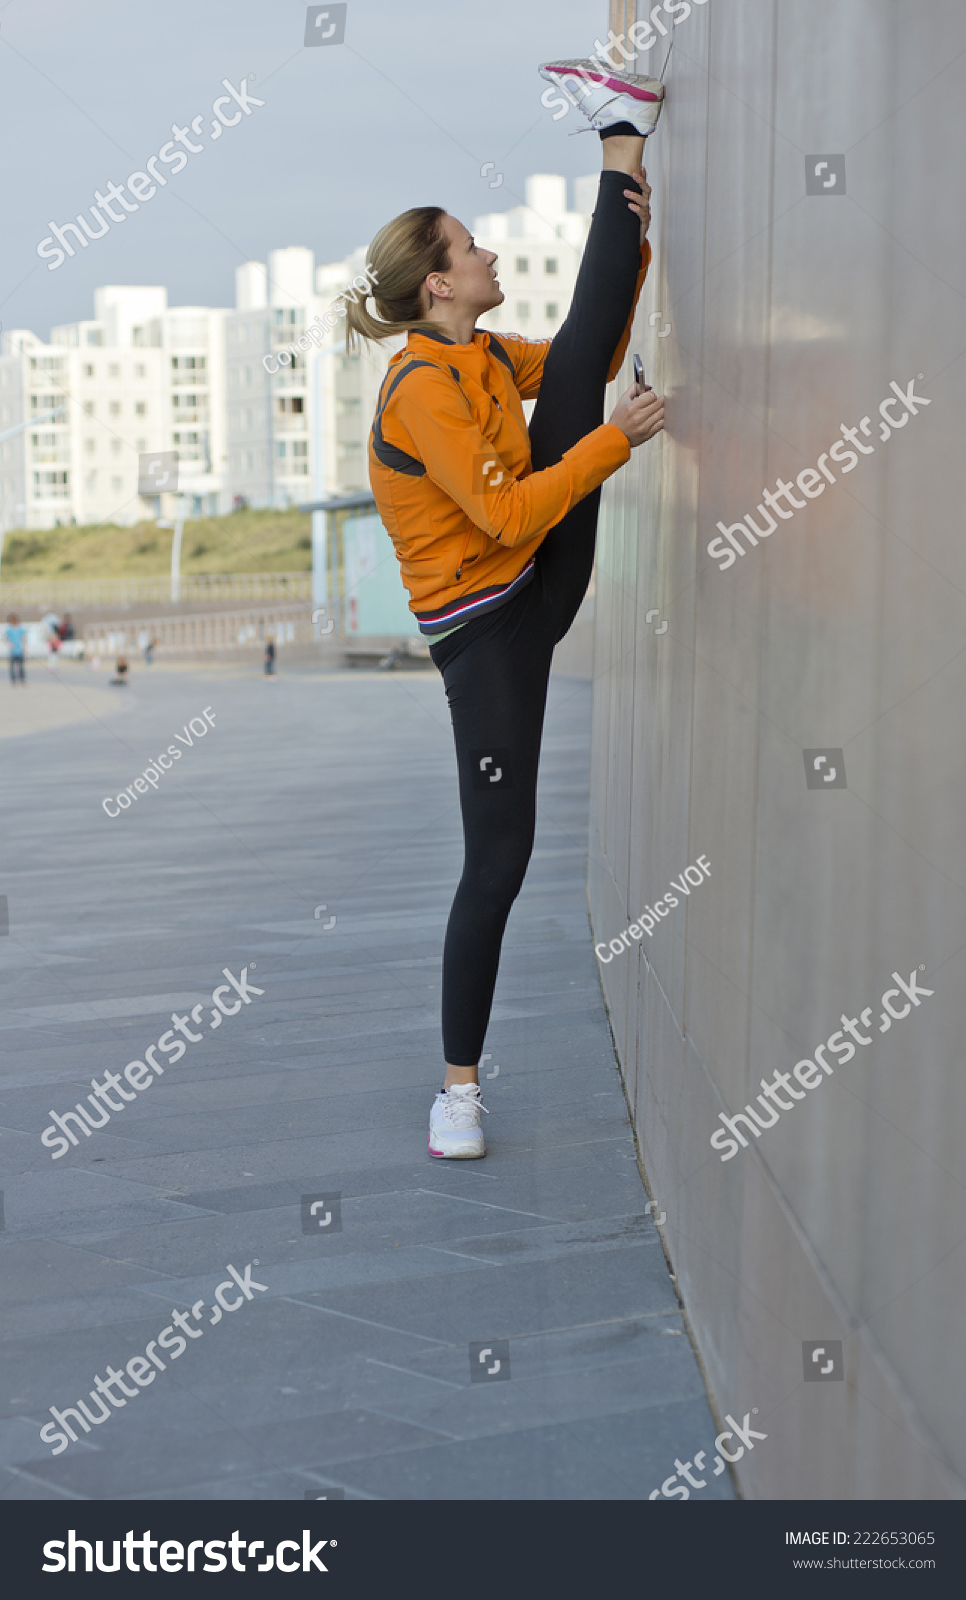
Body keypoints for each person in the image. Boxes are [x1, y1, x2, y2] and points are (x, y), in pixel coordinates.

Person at [348, 60, 667, 1159]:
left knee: (575, 371)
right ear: (436, 283)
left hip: (536, 573)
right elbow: (493, 522)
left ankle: (619, 141)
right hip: (488, 632)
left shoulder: (477, 354)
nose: (486, 255)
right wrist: (612, 445)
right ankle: (457, 1092)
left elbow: (588, 354)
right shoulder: (423, 390)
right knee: (498, 860)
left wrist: (601, 413)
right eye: (470, 247)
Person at [6, 614, 26, 684]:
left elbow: (23, 638)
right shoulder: (9, 629)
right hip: (12, 650)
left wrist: (24, 647)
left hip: (19, 650)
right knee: (12, 667)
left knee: (21, 666)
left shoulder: (20, 628)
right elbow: (6, 638)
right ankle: (13, 680)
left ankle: (22, 679)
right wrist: (9, 644)